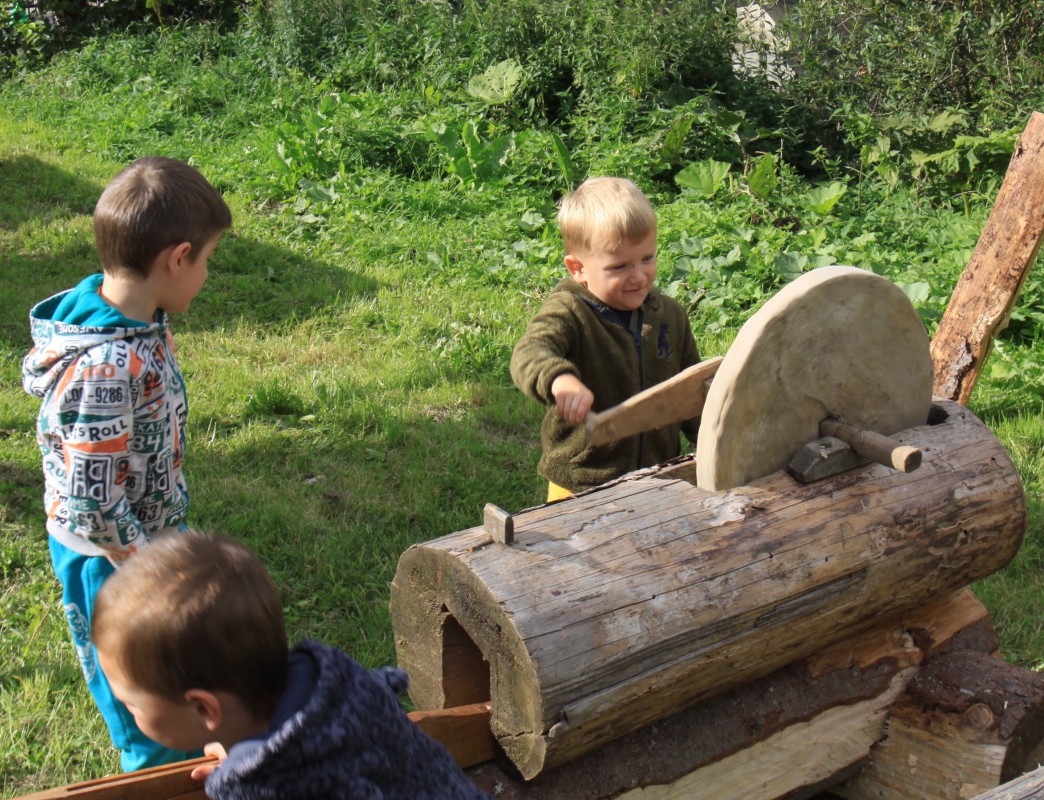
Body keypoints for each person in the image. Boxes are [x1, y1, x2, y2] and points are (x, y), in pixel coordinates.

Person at [20, 156, 231, 771]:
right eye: (207, 260)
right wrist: (148, 567)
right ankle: (156, 778)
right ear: (177, 258)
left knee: (182, 677)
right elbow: (92, 503)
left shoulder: (137, 322)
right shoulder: (106, 367)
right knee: (146, 704)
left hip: (144, 540)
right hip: (111, 561)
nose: (207, 275)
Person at [90, 531, 489, 800]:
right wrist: (242, 757)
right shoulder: (333, 678)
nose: (125, 709)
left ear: (204, 709)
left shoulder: (270, 786)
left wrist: (247, 778)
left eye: (131, 703)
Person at [510, 176, 701, 500]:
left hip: (658, 476)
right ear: (578, 268)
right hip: (583, 481)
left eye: (647, 258)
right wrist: (559, 380)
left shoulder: (670, 316)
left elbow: (692, 391)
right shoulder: (570, 310)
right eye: (619, 267)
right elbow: (530, 353)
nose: (639, 276)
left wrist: (716, 435)